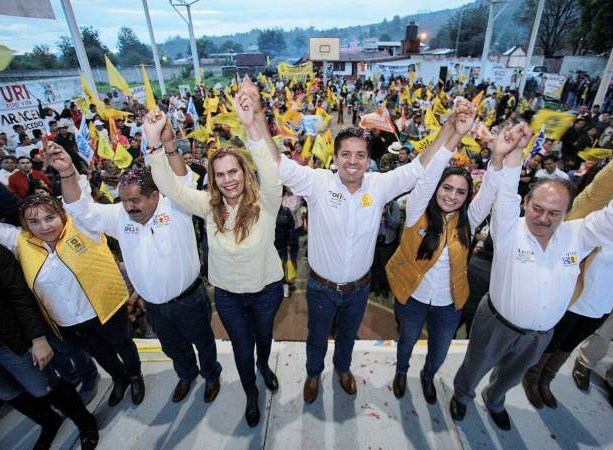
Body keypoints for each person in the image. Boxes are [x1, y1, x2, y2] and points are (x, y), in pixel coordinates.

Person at [450, 123, 613, 431]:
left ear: (566, 213)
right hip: (496, 324)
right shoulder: (508, 230)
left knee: (511, 376)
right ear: (525, 204)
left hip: (541, 335)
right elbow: (505, 193)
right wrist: (513, 154)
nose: (543, 218)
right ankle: (462, 396)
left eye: (554, 213)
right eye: (538, 208)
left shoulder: (579, 235)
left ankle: (494, 400)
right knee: (474, 366)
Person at [253, 82, 451, 404]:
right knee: (316, 337)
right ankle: (314, 373)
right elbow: (278, 165)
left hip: (359, 288)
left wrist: (449, 131)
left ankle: (343, 370)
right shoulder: (317, 183)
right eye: (346, 154)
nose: (353, 161)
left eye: (360, 155)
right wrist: (256, 123)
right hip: (320, 287)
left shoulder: (380, 186)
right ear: (335, 157)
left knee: (347, 336)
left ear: (368, 159)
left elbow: (418, 169)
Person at [48, 133, 223, 406]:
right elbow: (81, 209)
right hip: (154, 307)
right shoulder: (119, 216)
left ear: (155, 195)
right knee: (173, 347)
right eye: (125, 200)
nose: (129, 207)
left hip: (190, 299)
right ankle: (186, 375)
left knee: (204, 342)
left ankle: (211, 375)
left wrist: (168, 145)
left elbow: (184, 180)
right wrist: (68, 172)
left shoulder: (177, 206)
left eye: (135, 201)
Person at [149, 91, 283, 428]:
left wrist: (252, 127)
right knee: (241, 348)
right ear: (214, 179)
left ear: (244, 172)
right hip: (227, 296)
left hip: (266, 291)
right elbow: (171, 187)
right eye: (220, 174)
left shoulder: (267, 202)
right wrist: (156, 145)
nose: (228, 179)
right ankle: (251, 393)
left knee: (263, 341)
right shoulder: (209, 208)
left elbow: (271, 169)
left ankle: (264, 366)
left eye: (233, 172)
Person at [520, 142, 613, 412]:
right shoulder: (589, 216)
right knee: (555, 341)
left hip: (603, 305)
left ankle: (546, 380)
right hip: (572, 299)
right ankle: (533, 376)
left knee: (569, 346)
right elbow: (598, 189)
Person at [386, 99, 501, 404]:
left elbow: (489, 191)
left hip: (450, 304)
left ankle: (427, 377)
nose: (452, 196)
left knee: (439, 350)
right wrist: (455, 136)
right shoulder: (415, 211)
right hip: (412, 298)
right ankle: (401, 371)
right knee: (407, 341)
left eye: (460, 191)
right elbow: (427, 175)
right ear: (436, 189)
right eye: (446, 188)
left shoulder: (469, 221)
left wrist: (500, 157)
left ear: (467, 197)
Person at [0, 194, 144, 409]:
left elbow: (80, 199)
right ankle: (119, 377)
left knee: (123, 344)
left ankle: (135, 376)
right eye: (34, 222)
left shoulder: (81, 226)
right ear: (25, 224)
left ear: (61, 214)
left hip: (106, 308)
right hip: (70, 322)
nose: (44, 226)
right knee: (100, 353)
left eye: (50, 217)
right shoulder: (21, 242)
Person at [0, 239, 99, 450]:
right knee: (5, 391)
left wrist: (37, 338)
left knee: (43, 385)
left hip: (7, 342)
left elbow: (19, 295)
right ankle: (48, 421)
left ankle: (85, 422)